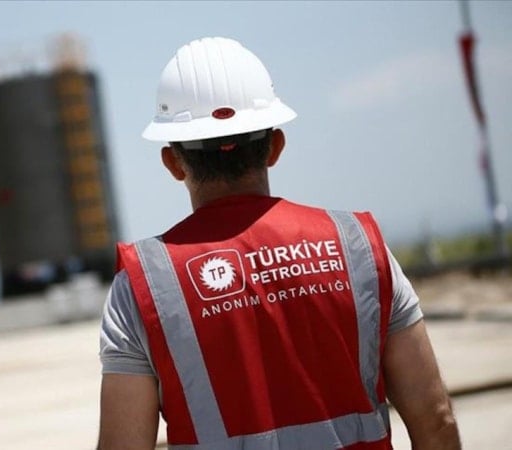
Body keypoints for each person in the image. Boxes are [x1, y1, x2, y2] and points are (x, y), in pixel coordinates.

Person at [98, 37, 460, 450]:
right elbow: (436, 419)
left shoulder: (144, 286)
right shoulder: (359, 248)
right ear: (275, 147)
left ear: (172, 162)